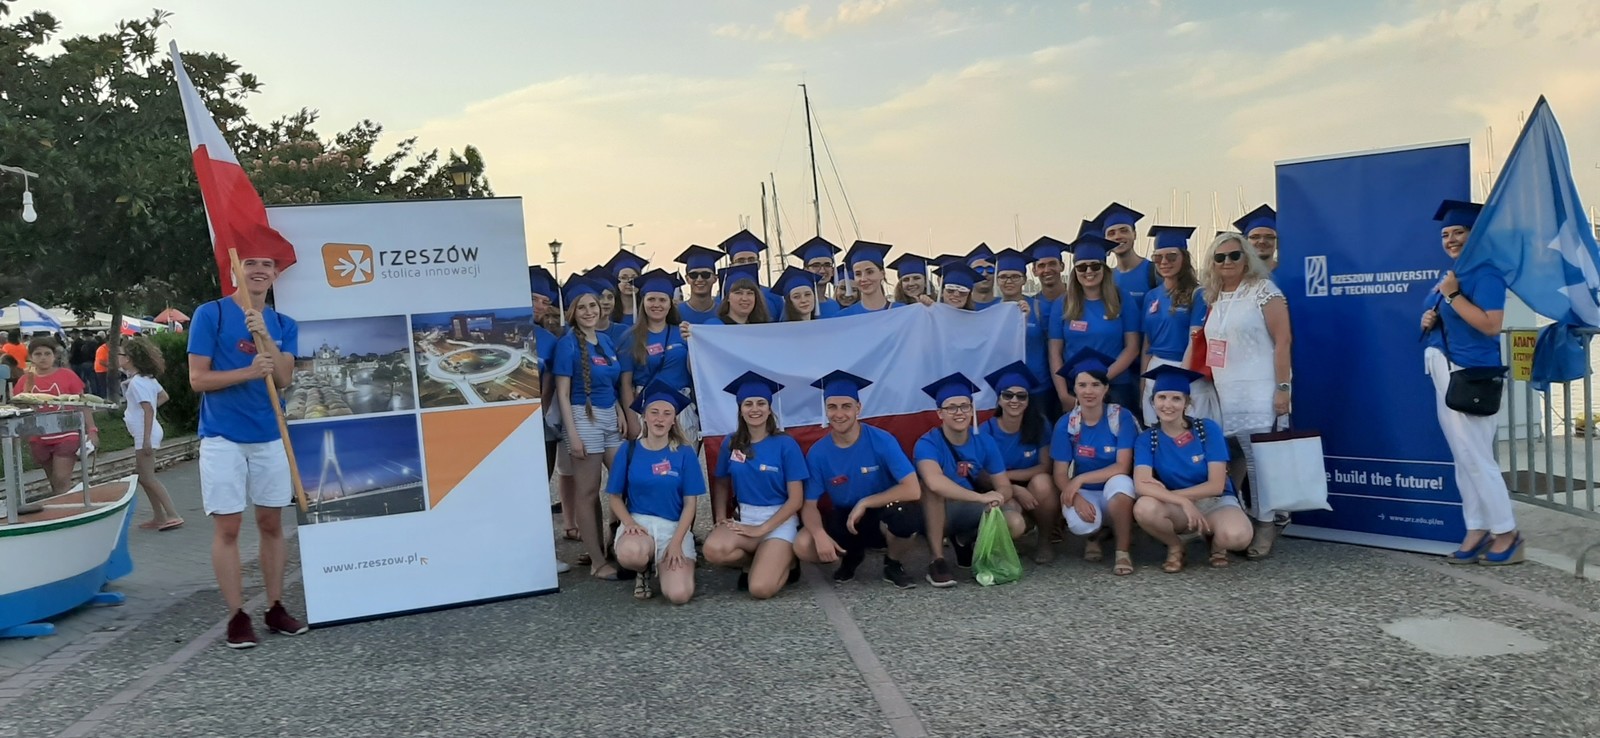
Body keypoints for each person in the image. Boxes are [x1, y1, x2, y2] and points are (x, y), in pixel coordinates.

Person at [187, 254, 308, 648]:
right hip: (222, 436)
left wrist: (265, 335)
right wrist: (248, 372)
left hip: (270, 436)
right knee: (229, 527)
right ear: (234, 270)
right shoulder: (211, 314)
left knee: (272, 524)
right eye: (250, 262)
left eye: (266, 265)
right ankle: (237, 615)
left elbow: (284, 378)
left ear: (276, 274)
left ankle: (275, 607)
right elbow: (197, 379)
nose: (258, 270)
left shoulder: (283, 323)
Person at [1420, 200, 1522, 565]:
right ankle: (1477, 527)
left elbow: (1491, 324)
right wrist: (1430, 318)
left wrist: (1452, 296)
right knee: (1464, 459)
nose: (1450, 239)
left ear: (1475, 235)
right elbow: (1451, 315)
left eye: (1458, 232)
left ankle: (1507, 532)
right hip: (1445, 371)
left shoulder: (1485, 273)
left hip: (1469, 373)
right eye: (1445, 234)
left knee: (1476, 457)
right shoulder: (1453, 273)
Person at [1202, 231, 1293, 559]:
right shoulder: (1215, 297)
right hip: (1227, 390)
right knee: (1234, 456)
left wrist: (1282, 388)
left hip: (1260, 388)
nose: (1227, 262)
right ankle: (1241, 514)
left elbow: (1283, 341)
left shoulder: (1264, 290)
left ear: (1246, 258)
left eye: (1234, 255)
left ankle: (1266, 523)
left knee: (1260, 460)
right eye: (1220, 257)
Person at [794, 371, 923, 588]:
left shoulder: (882, 440)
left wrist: (866, 502)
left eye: (846, 406)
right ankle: (850, 557)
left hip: (882, 514)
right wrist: (819, 534)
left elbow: (913, 489)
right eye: (832, 407)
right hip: (845, 519)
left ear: (858, 408)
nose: (839, 414)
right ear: (825, 410)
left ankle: (893, 563)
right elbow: (809, 504)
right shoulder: (818, 452)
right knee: (803, 545)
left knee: (906, 517)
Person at [1132, 365, 1251, 572]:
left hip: (1215, 502)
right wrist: (1182, 502)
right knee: (1144, 508)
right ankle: (1176, 545)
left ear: (1187, 403)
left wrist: (1176, 496)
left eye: (1176, 399)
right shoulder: (1147, 439)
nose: (1168, 405)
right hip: (1177, 507)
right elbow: (1141, 485)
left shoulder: (1207, 429)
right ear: (1153, 402)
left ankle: (1216, 544)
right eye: (1162, 398)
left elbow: (1216, 485)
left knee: (1238, 537)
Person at [704, 371, 807, 599]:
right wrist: (720, 516)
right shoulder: (731, 442)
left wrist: (762, 529)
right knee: (713, 550)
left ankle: (788, 560)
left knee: (760, 589)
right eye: (748, 404)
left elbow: (796, 499)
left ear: (769, 409)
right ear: (740, 409)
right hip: (746, 517)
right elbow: (721, 481)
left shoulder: (785, 444)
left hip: (779, 520)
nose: (755, 409)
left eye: (761, 403)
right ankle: (753, 561)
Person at [552, 275, 627, 580]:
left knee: (623, 482)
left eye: (592, 305)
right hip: (584, 419)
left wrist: (620, 412)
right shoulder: (567, 344)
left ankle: (615, 544)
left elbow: (611, 383)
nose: (588, 311)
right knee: (588, 491)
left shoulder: (605, 340)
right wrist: (573, 434)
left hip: (610, 417)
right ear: (573, 312)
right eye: (581, 307)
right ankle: (597, 561)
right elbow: (562, 393)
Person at [913, 372, 1018, 588]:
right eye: (951, 408)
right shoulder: (927, 443)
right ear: (940, 413)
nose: (959, 412)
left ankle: (968, 542)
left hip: (969, 509)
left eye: (964, 406)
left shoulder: (984, 440)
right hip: (936, 513)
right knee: (930, 490)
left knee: (1015, 521)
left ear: (972, 409)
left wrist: (998, 497)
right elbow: (934, 482)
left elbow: (1004, 485)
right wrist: (980, 498)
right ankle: (937, 560)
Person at [608, 380, 704, 603]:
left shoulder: (685, 453)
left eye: (666, 414)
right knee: (632, 554)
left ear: (674, 420)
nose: (660, 418)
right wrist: (629, 523)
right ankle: (643, 569)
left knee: (679, 595)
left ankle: (664, 566)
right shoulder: (629, 449)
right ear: (644, 416)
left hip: (674, 528)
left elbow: (690, 504)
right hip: (639, 526)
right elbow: (614, 497)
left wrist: (676, 543)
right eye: (654, 412)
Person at [1050, 349, 1139, 574]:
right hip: (1086, 493)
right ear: (1074, 389)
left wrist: (1079, 479)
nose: (1088, 391)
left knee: (1121, 484)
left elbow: (1122, 466)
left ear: (1106, 388)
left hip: (1112, 489)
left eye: (1095, 385)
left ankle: (1122, 551)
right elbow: (1059, 473)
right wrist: (1076, 496)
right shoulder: (1067, 423)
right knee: (1082, 524)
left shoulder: (1120, 417)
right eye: (1082, 385)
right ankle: (1093, 536)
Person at [1048, 233, 1140, 413]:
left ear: (1104, 268)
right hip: (1076, 386)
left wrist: (1099, 380)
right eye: (1082, 267)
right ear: (1075, 271)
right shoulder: (1062, 304)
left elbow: (1132, 348)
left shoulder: (1122, 299)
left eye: (1095, 266)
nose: (1088, 271)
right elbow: (1055, 353)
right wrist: (1063, 394)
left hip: (1116, 385)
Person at [1140, 225, 1221, 425]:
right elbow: (1147, 344)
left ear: (1184, 258)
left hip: (1187, 370)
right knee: (1157, 431)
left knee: (1190, 430)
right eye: (1158, 258)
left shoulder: (1198, 294)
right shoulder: (1151, 296)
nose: (1164, 262)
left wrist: (1181, 379)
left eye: (1171, 257)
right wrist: (1143, 382)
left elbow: (1195, 340)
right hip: (1156, 369)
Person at [978, 361, 1057, 564]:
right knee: (1010, 507)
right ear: (999, 400)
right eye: (1008, 395)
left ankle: (1045, 541)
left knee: (1043, 482)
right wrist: (1012, 488)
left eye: (1021, 396)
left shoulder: (1040, 424)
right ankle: (1011, 543)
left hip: (1032, 485)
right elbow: (982, 474)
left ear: (1028, 400)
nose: (1015, 400)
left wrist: (1008, 477)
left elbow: (1045, 466)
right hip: (997, 487)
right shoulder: (986, 430)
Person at [14, 336, 96, 496]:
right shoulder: (25, 380)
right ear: (31, 357)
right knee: (54, 482)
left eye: (47, 353)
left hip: (66, 433)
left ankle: (69, 508)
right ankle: (66, 503)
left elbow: (83, 404)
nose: (43, 358)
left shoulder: (67, 375)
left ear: (54, 356)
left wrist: (92, 430)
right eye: (38, 354)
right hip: (39, 436)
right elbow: (20, 407)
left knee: (61, 479)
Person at [620, 269, 693, 442]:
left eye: (662, 300)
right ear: (643, 302)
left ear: (670, 304)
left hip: (681, 405)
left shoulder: (683, 333)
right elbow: (625, 383)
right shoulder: (631, 337)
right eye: (651, 299)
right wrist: (632, 420)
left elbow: (695, 371)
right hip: (645, 406)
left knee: (682, 455)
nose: (656, 304)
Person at [119, 335, 182, 531]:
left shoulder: (138, 383)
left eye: (121, 355)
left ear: (129, 358)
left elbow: (148, 410)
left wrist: (146, 439)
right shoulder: (146, 380)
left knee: (147, 477)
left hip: (144, 433)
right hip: (144, 431)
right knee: (143, 476)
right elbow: (163, 396)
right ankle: (159, 516)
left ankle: (172, 513)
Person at [994, 248, 1049, 393]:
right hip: (1004, 387)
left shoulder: (1039, 308)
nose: (1009, 281)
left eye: (1015, 276)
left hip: (1038, 386)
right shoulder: (992, 311)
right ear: (997, 280)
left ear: (1024, 279)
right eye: (1003, 277)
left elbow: (1052, 347)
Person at [1099, 202, 1157, 307]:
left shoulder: (1154, 272)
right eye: (1111, 233)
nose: (1118, 236)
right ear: (1105, 240)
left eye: (1124, 231)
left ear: (1134, 234)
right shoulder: (1107, 277)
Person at [719, 230, 785, 317]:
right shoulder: (721, 299)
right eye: (740, 260)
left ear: (759, 264)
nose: (747, 264)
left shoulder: (774, 297)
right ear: (731, 265)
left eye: (751, 259)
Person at [835, 241, 897, 316]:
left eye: (870, 272)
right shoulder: (844, 316)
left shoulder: (902, 311)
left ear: (882, 274)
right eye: (858, 274)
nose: (863, 279)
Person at [793, 236, 844, 316]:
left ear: (832, 270)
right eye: (816, 265)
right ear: (806, 270)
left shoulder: (835, 306)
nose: (822, 270)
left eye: (827, 265)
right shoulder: (797, 307)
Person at [710, 264, 775, 325]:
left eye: (750, 293)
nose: (744, 298)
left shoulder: (762, 327)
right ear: (727, 298)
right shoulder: (716, 326)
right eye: (738, 293)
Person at [674, 245, 724, 325]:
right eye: (693, 275)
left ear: (715, 278)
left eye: (705, 274)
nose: (699, 279)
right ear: (687, 279)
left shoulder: (723, 313)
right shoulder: (675, 313)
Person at [603, 250, 649, 327]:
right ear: (617, 282)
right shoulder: (608, 310)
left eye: (634, 278)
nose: (629, 282)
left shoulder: (648, 309)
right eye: (624, 278)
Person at [1235, 205, 1278, 271]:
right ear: (1245, 241)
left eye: (1269, 237)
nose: (1262, 241)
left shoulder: (1289, 272)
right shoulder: (1236, 273)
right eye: (1255, 237)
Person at [966, 244, 999, 308]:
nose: (984, 274)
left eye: (990, 269)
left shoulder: (1006, 306)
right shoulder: (960, 307)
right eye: (978, 270)